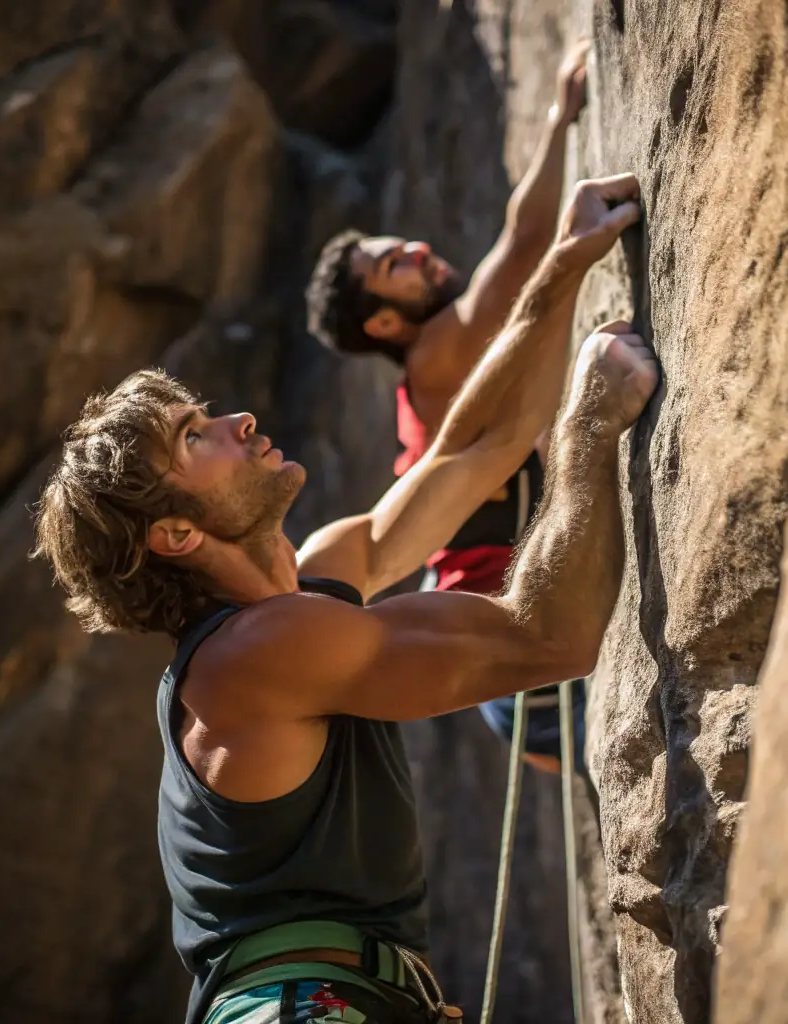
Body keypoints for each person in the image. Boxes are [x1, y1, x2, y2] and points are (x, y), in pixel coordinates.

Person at [33, 172, 653, 1023]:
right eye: (195, 437)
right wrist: (587, 428)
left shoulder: (305, 592)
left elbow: (471, 448)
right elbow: (549, 639)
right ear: (176, 535)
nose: (239, 421)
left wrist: (561, 265)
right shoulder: (254, 657)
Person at [305, 43, 593, 774]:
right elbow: (526, 242)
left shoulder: (431, 379)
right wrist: (561, 116)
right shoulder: (435, 357)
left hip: (494, 650)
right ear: (382, 325)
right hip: (505, 631)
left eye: (395, 245)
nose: (414, 247)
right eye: (391, 265)